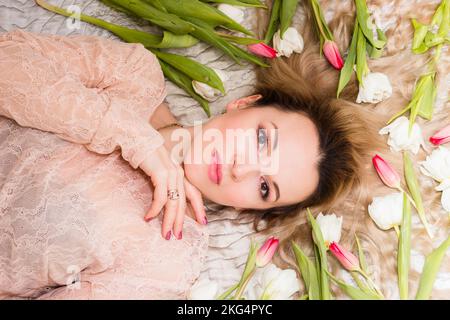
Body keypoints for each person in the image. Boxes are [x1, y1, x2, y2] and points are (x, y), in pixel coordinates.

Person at [0, 22, 367, 299]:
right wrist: (136, 140)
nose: (241, 169)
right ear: (245, 104)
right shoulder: (133, 75)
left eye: (264, 187)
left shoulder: (171, 253)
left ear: (254, 209)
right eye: (260, 139)